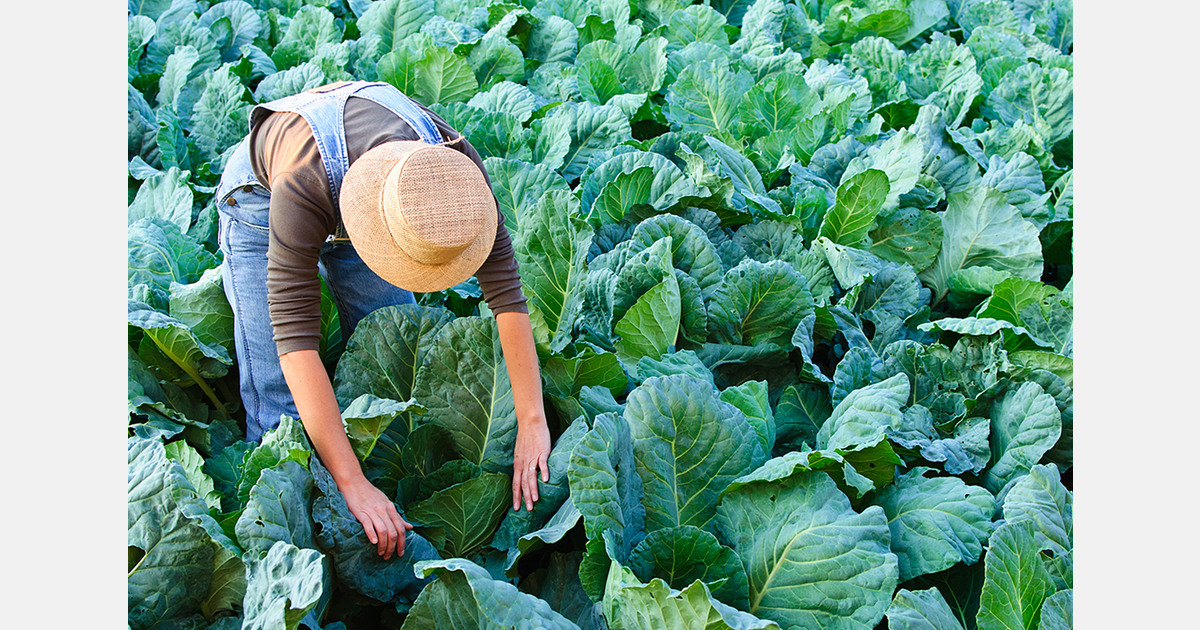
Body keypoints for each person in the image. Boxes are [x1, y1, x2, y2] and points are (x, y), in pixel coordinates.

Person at [214, 81, 551, 560]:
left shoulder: (455, 178)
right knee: (279, 408)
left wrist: (533, 420)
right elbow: (294, 341)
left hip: (381, 190)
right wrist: (352, 484)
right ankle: (286, 555)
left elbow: (507, 297)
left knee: (391, 352)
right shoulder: (302, 182)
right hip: (262, 200)